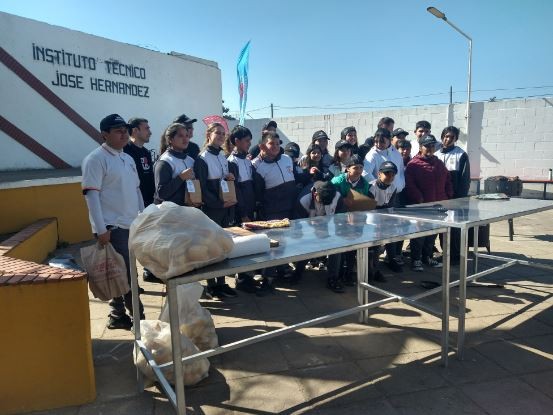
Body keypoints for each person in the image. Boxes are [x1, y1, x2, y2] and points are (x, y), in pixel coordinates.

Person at [81, 114, 145, 330]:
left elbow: (136, 190)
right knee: (128, 277)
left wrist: (143, 217)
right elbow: (91, 195)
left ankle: (117, 315)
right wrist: (100, 229)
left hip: (130, 225)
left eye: (125, 130)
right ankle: (140, 320)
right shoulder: (95, 159)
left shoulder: (127, 158)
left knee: (116, 273)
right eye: (118, 130)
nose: (124, 134)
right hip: (112, 228)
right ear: (104, 134)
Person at [194, 122, 238, 299]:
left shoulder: (222, 156)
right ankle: (212, 285)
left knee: (222, 246)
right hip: (212, 209)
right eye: (217, 133)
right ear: (208, 135)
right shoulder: (202, 158)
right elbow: (202, 189)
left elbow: (224, 181)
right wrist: (220, 205)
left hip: (224, 207)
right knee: (211, 248)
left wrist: (230, 177)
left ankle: (222, 283)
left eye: (223, 134)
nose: (221, 136)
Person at [252, 131, 298, 290]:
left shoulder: (287, 159)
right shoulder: (257, 166)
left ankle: (282, 269)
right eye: (272, 144)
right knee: (272, 244)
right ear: (262, 146)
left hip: (290, 207)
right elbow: (258, 192)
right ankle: (267, 277)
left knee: (286, 242)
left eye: (278, 144)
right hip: (272, 210)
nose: (276, 147)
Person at [405, 134, 453, 272]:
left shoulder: (438, 163)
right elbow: (410, 185)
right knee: (419, 234)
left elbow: (447, 179)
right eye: (427, 146)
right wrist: (419, 198)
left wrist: (448, 194)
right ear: (420, 147)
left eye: (432, 146)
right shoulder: (413, 164)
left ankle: (427, 257)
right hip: (422, 207)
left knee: (432, 234)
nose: (430, 148)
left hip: (438, 206)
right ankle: (416, 260)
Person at [293, 181, 346, 292]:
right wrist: (310, 230)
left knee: (336, 247)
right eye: (322, 201)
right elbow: (297, 225)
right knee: (305, 246)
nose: (324, 204)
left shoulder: (337, 196)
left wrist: (334, 231)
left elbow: (340, 218)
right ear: (315, 194)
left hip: (329, 228)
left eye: (328, 202)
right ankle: (298, 272)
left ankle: (333, 278)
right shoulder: (304, 200)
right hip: (308, 228)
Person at [124, 117, 158, 283]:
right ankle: (132, 282)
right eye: (146, 128)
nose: (150, 131)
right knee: (132, 244)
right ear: (135, 131)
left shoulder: (145, 152)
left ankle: (149, 271)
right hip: (131, 206)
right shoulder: (126, 151)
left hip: (148, 204)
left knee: (149, 240)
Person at [436, 126, 471, 264]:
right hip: (439, 198)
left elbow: (464, 179)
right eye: (446, 136)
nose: (448, 139)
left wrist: (459, 199)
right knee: (441, 228)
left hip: (455, 199)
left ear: (456, 139)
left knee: (455, 229)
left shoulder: (461, 155)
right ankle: (445, 253)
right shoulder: (436, 153)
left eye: (451, 137)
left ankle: (455, 256)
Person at [369, 161, 402, 273]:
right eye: (387, 173)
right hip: (372, 217)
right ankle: (373, 267)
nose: (390, 177)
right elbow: (369, 208)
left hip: (385, 214)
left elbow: (391, 205)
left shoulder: (393, 187)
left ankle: (391, 258)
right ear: (379, 174)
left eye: (393, 174)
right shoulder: (372, 187)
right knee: (375, 243)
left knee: (392, 232)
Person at [153, 123, 196, 205]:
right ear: (170, 139)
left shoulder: (191, 161)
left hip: (187, 211)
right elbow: (161, 193)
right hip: (169, 212)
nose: (185, 139)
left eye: (187, 135)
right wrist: (180, 177)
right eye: (180, 136)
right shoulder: (164, 161)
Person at [363, 128, 405, 194]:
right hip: (380, 195)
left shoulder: (396, 153)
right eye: (376, 142)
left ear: (390, 140)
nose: (379, 144)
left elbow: (401, 172)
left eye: (382, 142)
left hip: (397, 193)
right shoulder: (372, 154)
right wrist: (379, 187)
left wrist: (401, 184)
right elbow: (365, 173)